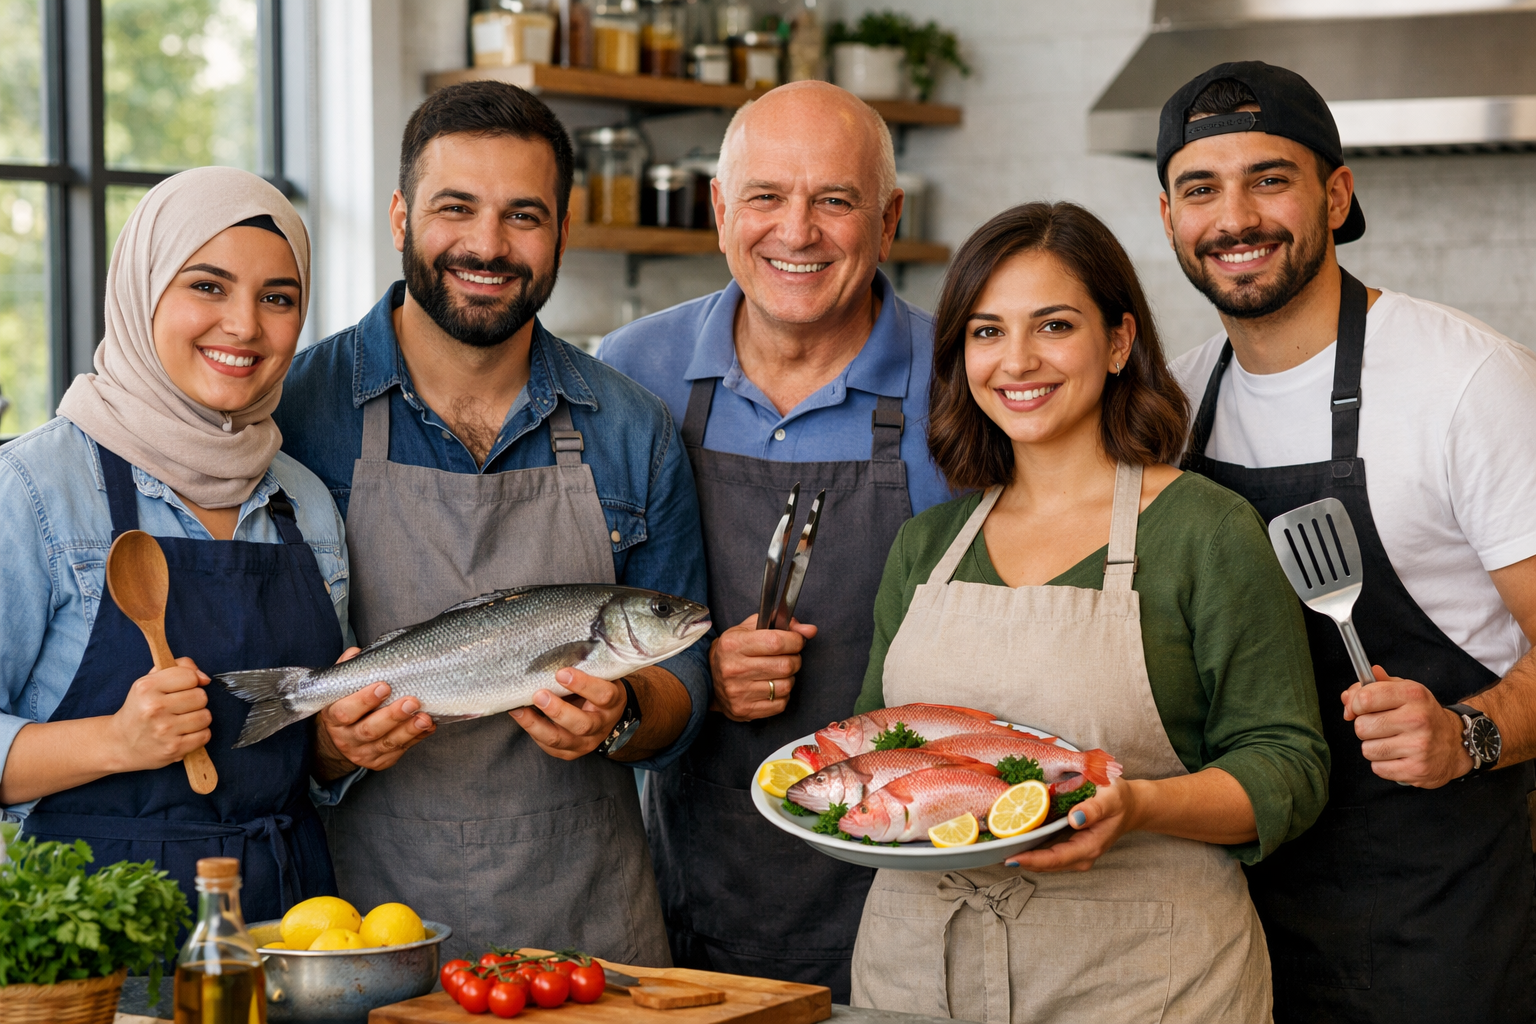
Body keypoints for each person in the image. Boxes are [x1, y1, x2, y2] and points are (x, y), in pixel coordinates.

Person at [848, 201, 1330, 1022]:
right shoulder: (927, 546)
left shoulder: (1204, 531)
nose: (1018, 360)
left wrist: (1138, 805)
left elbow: (1289, 765)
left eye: (1055, 325)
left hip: (1146, 981)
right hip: (918, 975)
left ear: (1118, 342)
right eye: (987, 331)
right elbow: (871, 745)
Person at [273, 81, 710, 964]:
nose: (487, 245)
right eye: (455, 208)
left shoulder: (632, 427)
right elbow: (257, 688)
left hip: (590, 935)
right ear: (400, 214)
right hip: (360, 937)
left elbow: (687, 684)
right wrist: (326, 747)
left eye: (523, 215)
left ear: (562, 227)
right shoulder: (294, 413)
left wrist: (623, 712)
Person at [1160, 62, 1536, 1022]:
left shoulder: (1466, 382)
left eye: (1270, 178)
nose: (1235, 216)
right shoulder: (1174, 401)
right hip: (1230, 905)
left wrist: (1468, 734)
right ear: (1169, 217)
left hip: (1430, 910)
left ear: (1336, 193)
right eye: (1201, 187)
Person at [599, 81, 948, 997]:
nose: (797, 231)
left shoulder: (963, 380)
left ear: (888, 218)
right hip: (694, 884)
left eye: (835, 199)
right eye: (765, 196)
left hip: (916, 883)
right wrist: (691, 680)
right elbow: (580, 609)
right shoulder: (633, 373)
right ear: (720, 211)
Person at [0, 167, 371, 921]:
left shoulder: (303, 501)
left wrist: (340, 740)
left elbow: (308, 764)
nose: (244, 325)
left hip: (293, 924)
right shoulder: (36, 488)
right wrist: (117, 740)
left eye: (278, 298)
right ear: (142, 292)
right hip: (93, 936)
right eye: (207, 285)